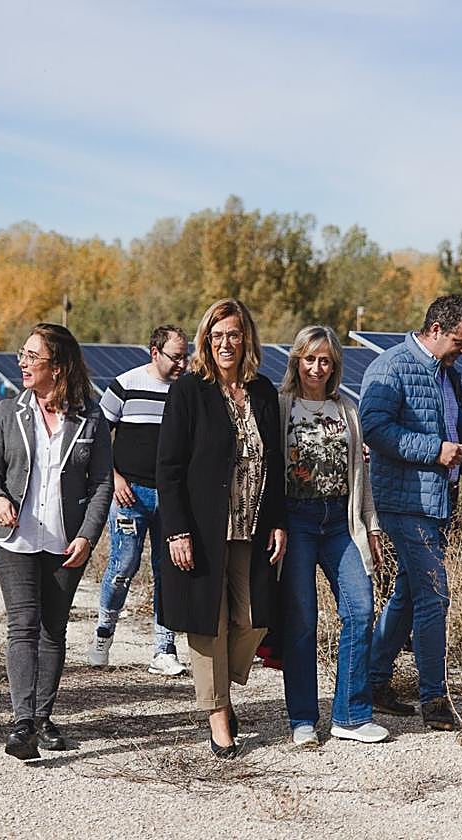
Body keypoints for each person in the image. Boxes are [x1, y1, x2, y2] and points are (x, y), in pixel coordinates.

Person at [156, 298, 287, 759]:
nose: (225, 343)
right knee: (208, 623)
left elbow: (278, 465)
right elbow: (168, 468)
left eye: (233, 334)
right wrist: (177, 531)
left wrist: (278, 523)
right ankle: (218, 715)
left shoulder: (264, 392)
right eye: (217, 336)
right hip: (203, 529)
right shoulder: (190, 390)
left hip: (252, 527)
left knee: (253, 618)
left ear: (246, 338)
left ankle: (220, 690)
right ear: (205, 341)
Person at [0, 324, 113, 760]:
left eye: (33, 356)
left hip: (65, 542)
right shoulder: (7, 410)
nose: (23, 362)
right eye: (23, 354)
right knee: (23, 624)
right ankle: (22, 725)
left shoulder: (90, 417)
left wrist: (88, 536)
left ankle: (41, 717)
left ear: (59, 365)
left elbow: (102, 483)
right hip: (13, 539)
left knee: (53, 629)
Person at [358, 294, 462, 731]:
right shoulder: (391, 367)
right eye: (460, 341)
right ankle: (433, 698)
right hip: (405, 501)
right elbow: (376, 430)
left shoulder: (447, 373)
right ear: (436, 330)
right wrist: (435, 451)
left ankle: (373, 681)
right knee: (435, 596)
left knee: (410, 593)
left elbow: (454, 419)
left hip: (437, 500)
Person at [277, 325, 386, 748]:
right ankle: (303, 718)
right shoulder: (281, 405)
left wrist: (371, 525)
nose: (317, 368)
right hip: (298, 521)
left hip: (341, 522)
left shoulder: (348, 411)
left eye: (325, 361)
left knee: (360, 611)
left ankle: (350, 716)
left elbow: (363, 477)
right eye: (309, 359)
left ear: (334, 365)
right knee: (302, 622)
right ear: (297, 361)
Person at [88, 324, 190, 677]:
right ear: (155, 352)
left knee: (169, 570)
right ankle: (104, 632)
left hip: (174, 497)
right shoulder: (125, 385)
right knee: (123, 566)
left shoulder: (188, 391)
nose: (182, 364)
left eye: (185, 356)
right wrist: (114, 479)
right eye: (175, 357)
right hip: (131, 494)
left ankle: (164, 648)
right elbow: (99, 438)